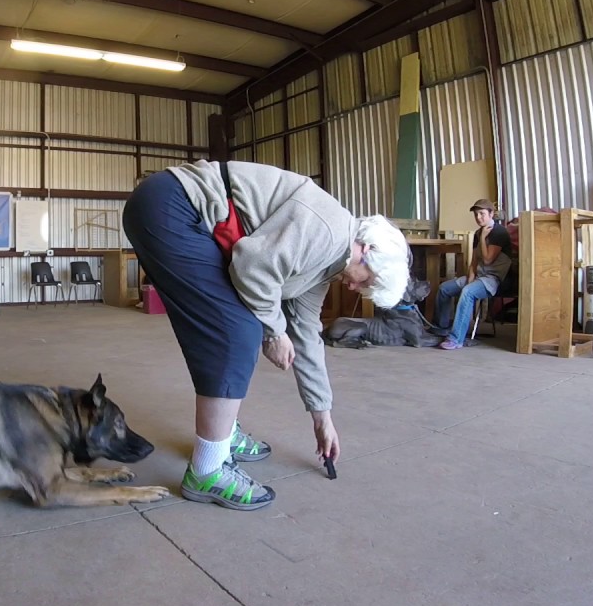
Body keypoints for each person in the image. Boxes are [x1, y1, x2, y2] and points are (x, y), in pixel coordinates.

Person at [122, 159, 411, 511]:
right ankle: (207, 469)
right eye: (365, 281)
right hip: (173, 205)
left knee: (238, 323)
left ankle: (222, 435)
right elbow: (251, 265)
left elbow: (307, 336)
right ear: (367, 252)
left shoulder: (325, 267)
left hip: (177, 213)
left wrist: (323, 417)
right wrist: (274, 332)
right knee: (238, 332)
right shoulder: (329, 230)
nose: (354, 288)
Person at [431, 198, 512, 350]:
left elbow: (487, 260)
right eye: (476, 215)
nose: (478, 218)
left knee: (468, 292)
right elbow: (474, 261)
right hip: (480, 277)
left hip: (494, 280)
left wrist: (482, 238)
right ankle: (440, 329)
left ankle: (456, 339)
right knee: (444, 288)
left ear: (491, 214)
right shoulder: (478, 233)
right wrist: (470, 279)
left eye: (482, 214)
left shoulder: (499, 232)